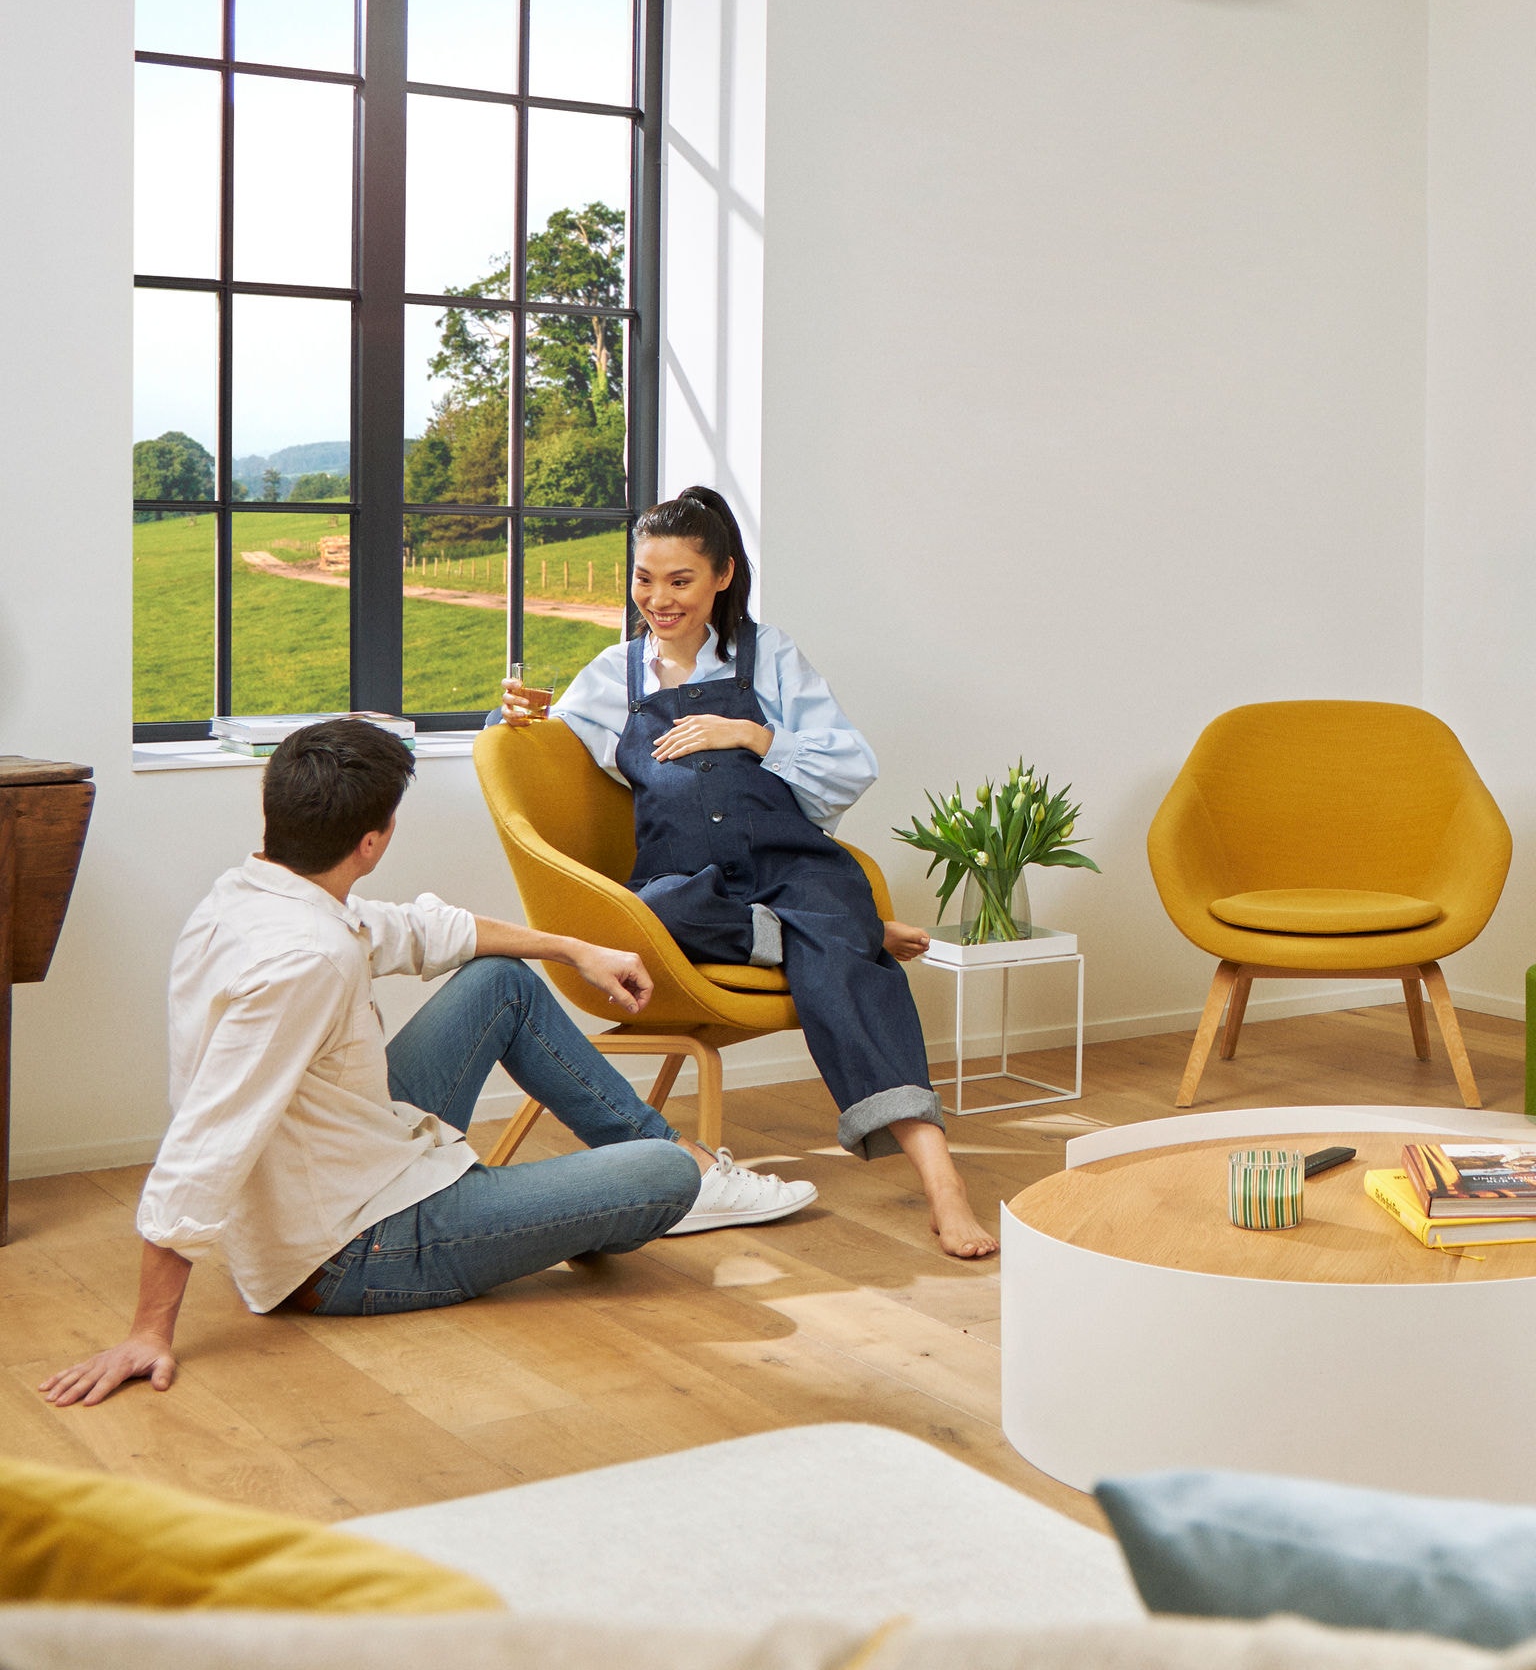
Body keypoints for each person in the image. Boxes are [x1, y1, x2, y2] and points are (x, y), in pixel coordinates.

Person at [40, 719, 814, 1410]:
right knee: (660, 1178)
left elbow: (414, 930)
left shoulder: (255, 894)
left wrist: (572, 946)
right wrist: (147, 1330)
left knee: (502, 981)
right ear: (373, 841)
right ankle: (669, 1176)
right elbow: (208, 1137)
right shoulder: (303, 961)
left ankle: (655, 1174)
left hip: (362, 1161)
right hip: (352, 1249)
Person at [494, 488, 997, 1259]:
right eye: (644, 579)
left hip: (792, 865)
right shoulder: (615, 675)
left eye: (680, 581)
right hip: (690, 887)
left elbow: (850, 764)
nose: (657, 599)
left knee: (851, 980)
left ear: (722, 575)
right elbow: (549, 749)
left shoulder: (770, 657)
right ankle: (845, 929)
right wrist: (514, 718)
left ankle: (943, 1185)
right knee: (657, 910)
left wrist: (752, 734)